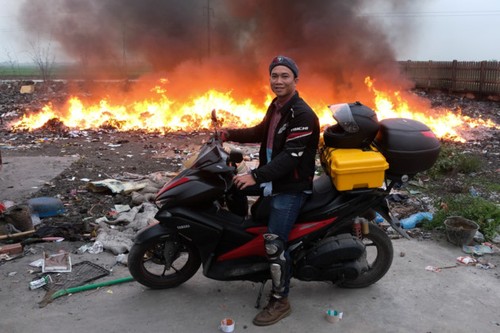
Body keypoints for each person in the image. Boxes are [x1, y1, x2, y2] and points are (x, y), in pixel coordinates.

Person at [221, 55, 320, 326]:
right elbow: (261, 131)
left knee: (275, 244)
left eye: (284, 76)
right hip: (274, 180)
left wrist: (255, 175)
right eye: (274, 76)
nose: (278, 81)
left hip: (291, 188)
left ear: (295, 80)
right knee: (233, 190)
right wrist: (227, 134)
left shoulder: (302, 114)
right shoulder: (276, 106)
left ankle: (281, 300)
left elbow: (291, 157)